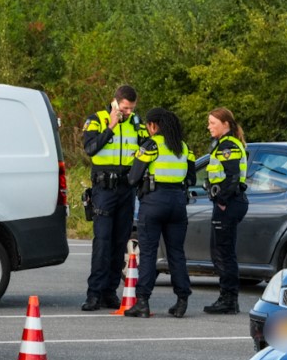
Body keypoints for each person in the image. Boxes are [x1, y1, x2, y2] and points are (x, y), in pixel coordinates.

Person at [80, 85, 144, 311]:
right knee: (103, 242)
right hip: (104, 190)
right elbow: (90, 149)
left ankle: (110, 292)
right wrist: (111, 127)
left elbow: (148, 146)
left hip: (126, 189)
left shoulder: (137, 123)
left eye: (132, 109)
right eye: (125, 108)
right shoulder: (97, 119)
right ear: (115, 102)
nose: (128, 112)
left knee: (120, 243)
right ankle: (94, 294)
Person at [125, 107, 193, 319]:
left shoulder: (152, 145)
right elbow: (190, 178)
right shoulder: (183, 147)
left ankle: (142, 301)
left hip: (154, 203)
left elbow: (133, 177)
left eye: (148, 125)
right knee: (176, 253)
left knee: (148, 253)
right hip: (178, 204)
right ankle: (182, 301)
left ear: (154, 125)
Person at [203, 107, 249, 315]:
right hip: (229, 202)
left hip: (229, 203)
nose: (209, 126)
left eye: (213, 123)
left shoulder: (228, 145)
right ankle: (227, 297)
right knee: (220, 251)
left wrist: (221, 200)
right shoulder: (223, 144)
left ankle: (229, 300)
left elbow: (231, 177)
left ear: (226, 124)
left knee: (223, 253)